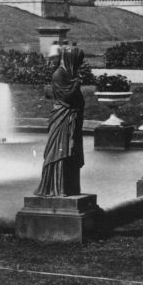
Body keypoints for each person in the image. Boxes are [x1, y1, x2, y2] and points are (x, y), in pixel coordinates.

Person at [34, 46, 85, 196]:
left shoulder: (68, 73)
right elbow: (66, 97)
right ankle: (56, 187)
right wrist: (76, 84)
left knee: (70, 151)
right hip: (63, 117)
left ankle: (69, 187)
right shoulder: (59, 74)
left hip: (70, 118)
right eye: (77, 61)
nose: (79, 64)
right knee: (60, 151)